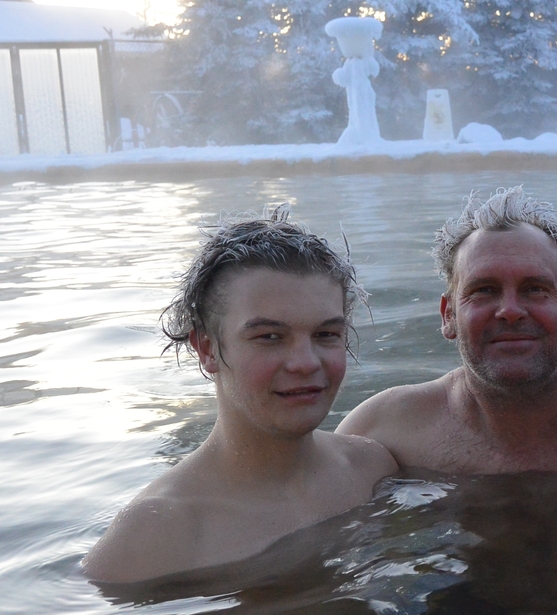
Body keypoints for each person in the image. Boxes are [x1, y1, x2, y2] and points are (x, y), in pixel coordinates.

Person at [82, 209, 397, 583]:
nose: (305, 362)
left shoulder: (371, 469)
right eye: (269, 336)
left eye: (326, 334)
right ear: (207, 348)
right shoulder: (156, 535)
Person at [336, 186, 557, 479]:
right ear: (449, 316)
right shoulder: (385, 431)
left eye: (534, 289)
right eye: (484, 290)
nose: (511, 311)